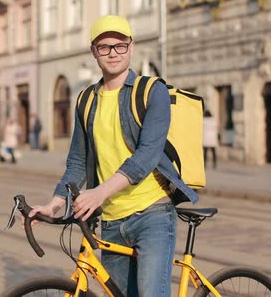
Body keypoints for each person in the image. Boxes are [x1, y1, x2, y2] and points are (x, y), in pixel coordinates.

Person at [27, 15, 198, 296]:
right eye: (105, 46)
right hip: (111, 221)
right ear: (94, 51)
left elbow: (146, 156)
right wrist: (53, 205)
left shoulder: (151, 91)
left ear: (131, 47)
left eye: (120, 45)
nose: (113, 53)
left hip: (152, 213)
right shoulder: (85, 100)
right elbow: (77, 162)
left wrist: (98, 193)